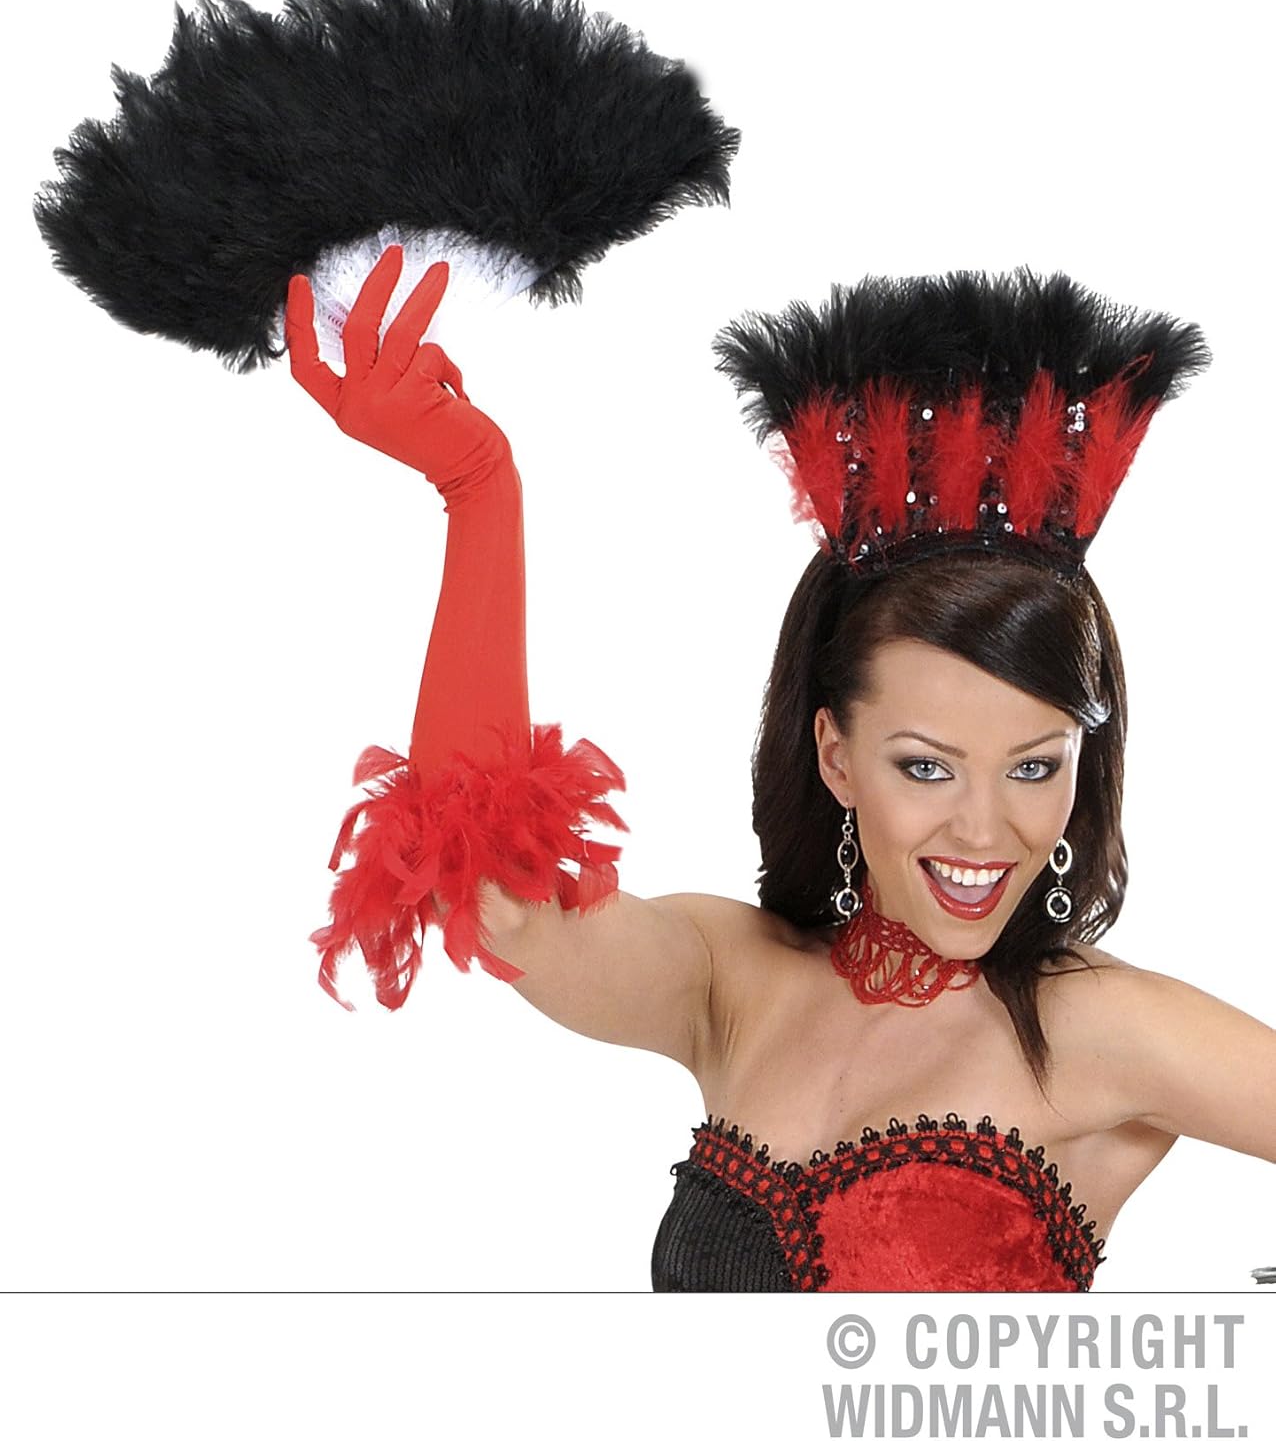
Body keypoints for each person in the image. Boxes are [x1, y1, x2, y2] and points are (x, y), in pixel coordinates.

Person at [285, 248, 1276, 1293]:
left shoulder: (1107, 1030)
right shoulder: (734, 980)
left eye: (1033, 770)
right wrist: (478, 487)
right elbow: (490, 891)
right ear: (836, 756)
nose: (986, 832)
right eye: (926, 769)